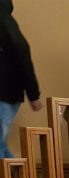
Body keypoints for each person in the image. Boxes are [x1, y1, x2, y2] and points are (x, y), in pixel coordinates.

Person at [0, 0, 43, 158]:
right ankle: (22, 175)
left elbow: (22, 52)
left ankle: (20, 174)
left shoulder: (4, 23)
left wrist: (33, 94)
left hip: (5, 95)